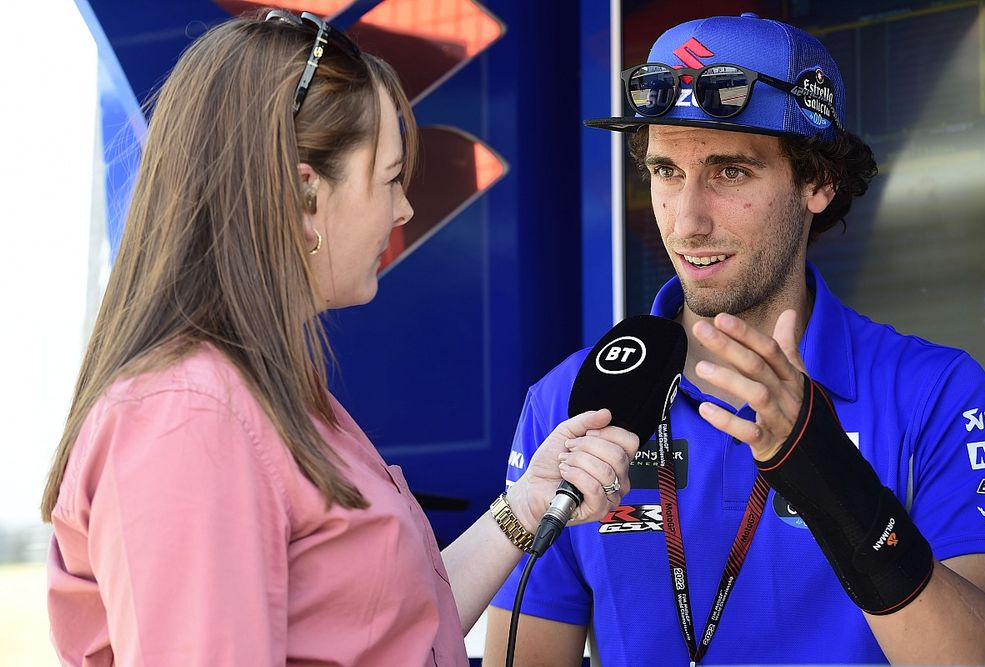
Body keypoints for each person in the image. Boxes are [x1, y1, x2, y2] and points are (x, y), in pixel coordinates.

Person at [40, 9, 641, 666]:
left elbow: (396, 630)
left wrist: (523, 508)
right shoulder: (187, 416)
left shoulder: (258, 393)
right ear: (305, 195)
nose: (403, 208)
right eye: (388, 178)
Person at [485, 13, 985, 666]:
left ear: (819, 181)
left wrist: (827, 474)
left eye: (729, 172)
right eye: (667, 171)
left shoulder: (935, 391)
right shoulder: (569, 398)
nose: (688, 221)